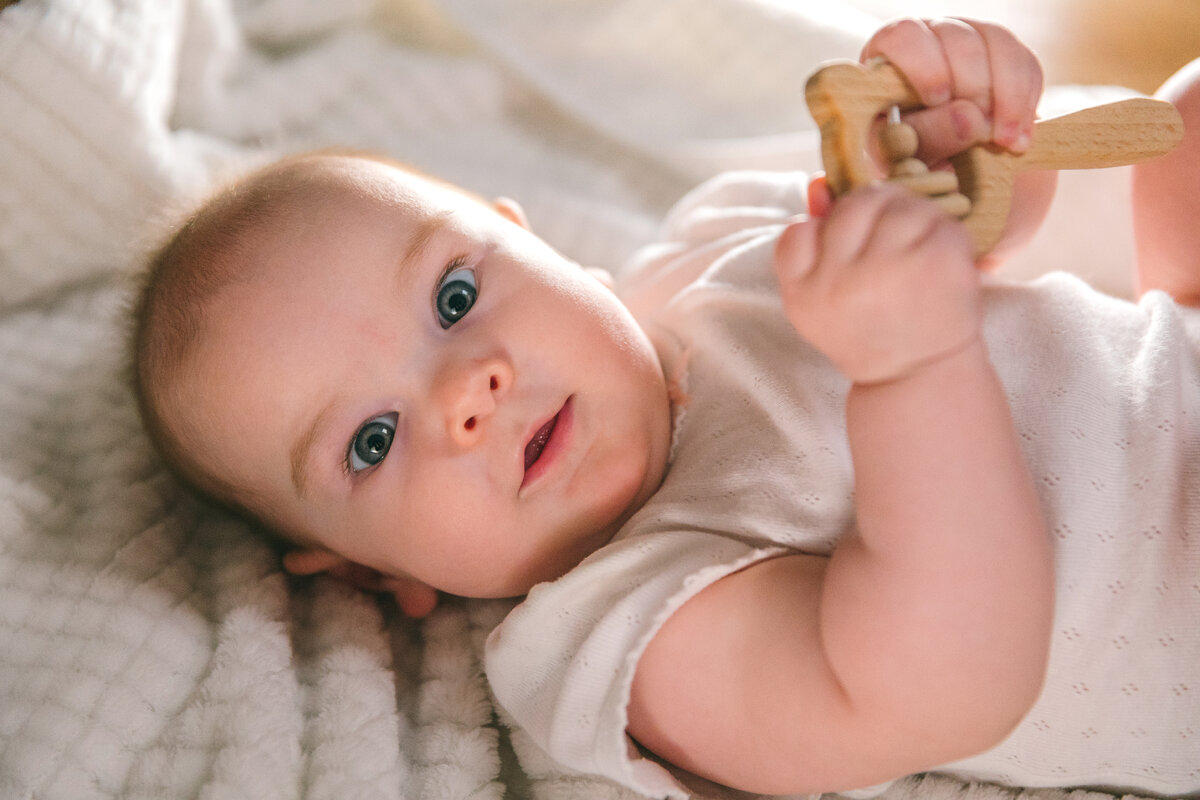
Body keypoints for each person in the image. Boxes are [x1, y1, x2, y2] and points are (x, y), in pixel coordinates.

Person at [130, 16, 1200, 800]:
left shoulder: (718, 243)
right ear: (377, 573)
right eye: (373, 438)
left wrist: (969, 143)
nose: (467, 392)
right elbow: (951, 681)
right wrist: (913, 364)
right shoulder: (627, 628)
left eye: (455, 297)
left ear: (542, 242)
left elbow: (973, 239)